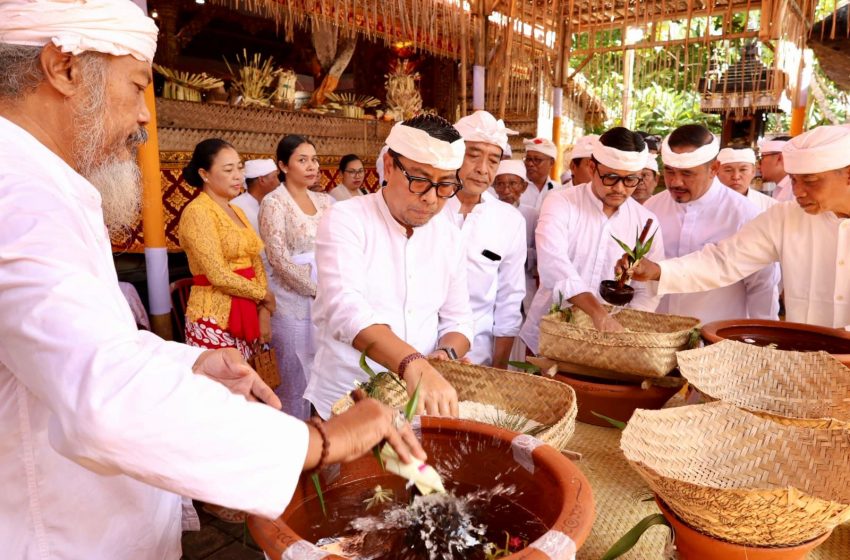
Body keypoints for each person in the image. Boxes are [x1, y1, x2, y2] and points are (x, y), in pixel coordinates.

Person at [0, 2, 424, 557]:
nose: (144, 117)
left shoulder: (42, 183)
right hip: (56, 531)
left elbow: (84, 347)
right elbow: (102, 393)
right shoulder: (20, 195)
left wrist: (188, 364)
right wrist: (320, 440)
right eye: (137, 87)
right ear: (64, 68)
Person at [306, 115, 474, 419]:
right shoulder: (346, 218)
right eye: (420, 180)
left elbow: (459, 319)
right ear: (389, 167)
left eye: (445, 185)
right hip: (345, 399)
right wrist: (413, 363)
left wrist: (444, 355)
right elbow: (346, 309)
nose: (431, 198)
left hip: (415, 404)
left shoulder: (449, 236)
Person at [619, 124, 850, 330]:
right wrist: (659, 271)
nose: (798, 192)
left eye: (810, 181)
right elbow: (723, 261)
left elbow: (763, 286)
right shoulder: (784, 218)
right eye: (794, 181)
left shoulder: (747, 211)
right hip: (807, 357)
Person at [519, 127, 665, 354]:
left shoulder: (646, 221)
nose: (619, 188)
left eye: (630, 180)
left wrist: (624, 330)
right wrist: (598, 314)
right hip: (549, 338)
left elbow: (647, 290)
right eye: (611, 177)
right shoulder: (560, 203)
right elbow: (554, 266)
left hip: (611, 345)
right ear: (591, 167)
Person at [644, 125, 779, 323]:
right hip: (655, 331)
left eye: (687, 174)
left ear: (714, 169)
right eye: (670, 171)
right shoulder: (651, 209)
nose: (676, 182)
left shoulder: (744, 215)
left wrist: (761, 335)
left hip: (715, 333)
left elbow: (762, 286)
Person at [259, 135, 334, 420]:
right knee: (294, 378)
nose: (312, 166)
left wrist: (331, 288)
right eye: (302, 160)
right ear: (283, 165)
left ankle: (326, 436)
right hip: (293, 301)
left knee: (327, 374)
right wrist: (316, 289)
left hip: (326, 295)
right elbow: (278, 259)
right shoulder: (274, 202)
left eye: (314, 159)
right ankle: (294, 438)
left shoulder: (325, 201)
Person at [444, 111, 526, 368]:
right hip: (414, 353)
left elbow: (509, 299)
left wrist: (498, 369)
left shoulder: (509, 220)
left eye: (493, 160)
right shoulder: (427, 209)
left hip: (476, 359)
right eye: (473, 155)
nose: (482, 169)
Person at [179, 139, 272, 361]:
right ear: (204, 174)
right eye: (229, 170)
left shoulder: (236, 210)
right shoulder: (198, 212)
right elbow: (218, 275)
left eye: (240, 168)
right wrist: (264, 295)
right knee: (225, 379)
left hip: (249, 308)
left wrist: (264, 308)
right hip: (214, 316)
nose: (238, 176)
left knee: (252, 376)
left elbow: (254, 258)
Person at [494, 160, 538, 315]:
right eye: (500, 184)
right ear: (494, 186)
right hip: (493, 281)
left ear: (524, 187)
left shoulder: (532, 214)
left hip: (524, 281)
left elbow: (540, 253)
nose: (506, 190)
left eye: (513, 184)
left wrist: (517, 253)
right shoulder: (486, 213)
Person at [716, 147, 777, 213]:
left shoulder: (770, 206)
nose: (736, 177)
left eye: (743, 170)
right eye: (728, 170)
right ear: (717, 172)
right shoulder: (708, 204)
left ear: (753, 172)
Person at [230, 158, 280, 231]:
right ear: (262, 180)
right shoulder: (235, 207)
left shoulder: (276, 203)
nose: (278, 182)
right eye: (275, 177)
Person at [521, 137, 562, 209]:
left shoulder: (559, 190)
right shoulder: (516, 188)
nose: (530, 164)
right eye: (528, 159)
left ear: (551, 162)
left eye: (537, 160)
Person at [759, 136, 794, 201]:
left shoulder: (794, 190)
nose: (758, 166)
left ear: (779, 158)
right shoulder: (783, 187)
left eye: (762, 158)